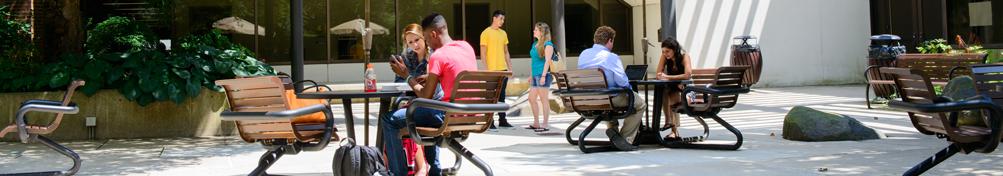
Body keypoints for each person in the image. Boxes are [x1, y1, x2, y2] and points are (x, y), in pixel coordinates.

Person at [382, 13, 478, 176]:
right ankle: (433, 170)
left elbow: (425, 96)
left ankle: (398, 173)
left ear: (433, 34)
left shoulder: (437, 56)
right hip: (471, 115)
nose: (427, 43)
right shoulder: (466, 47)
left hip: (445, 115)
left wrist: (407, 76)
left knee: (389, 120)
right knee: (423, 111)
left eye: (425, 38)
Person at [577, 26, 645, 149]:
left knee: (610, 97)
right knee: (640, 104)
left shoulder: (583, 54)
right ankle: (625, 139)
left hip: (587, 99)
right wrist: (629, 88)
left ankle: (613, 131)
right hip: (609, 99)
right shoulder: (611, 57)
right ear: (610, 40)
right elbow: (623, 82)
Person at [479, 10, 513, 128]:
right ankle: (490, 121)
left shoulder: (503, 33)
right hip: (491, 70)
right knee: (490, 96)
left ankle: (502, 120)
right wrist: (487, 70)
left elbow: (506, 52)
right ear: (494, 18)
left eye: (503, 19)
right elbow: (483, 54)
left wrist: (510, 68)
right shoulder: (485, 33)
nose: (502, 21)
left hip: (503, 69)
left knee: (502, 96)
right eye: (501, 19)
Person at [654, 37, 692, 141]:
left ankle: (671, 125)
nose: (665, 54)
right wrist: (663, 76)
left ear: (674, 49)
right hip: (673, 88)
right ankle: (671, 126)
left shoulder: (684, 56)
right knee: (666, 91)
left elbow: (688, 75)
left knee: (670, 93)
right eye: (663, 51)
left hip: (687, 91)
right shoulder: (665, 56)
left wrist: (668, 77)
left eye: (667, 51)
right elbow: (658, 73)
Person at [526, 22, 555, 132]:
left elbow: (547, 61)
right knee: (531, 98)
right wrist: (531, 75)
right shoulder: (535, 44)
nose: (534, 31)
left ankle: (545, 123)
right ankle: (536, 123)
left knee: (543, 99)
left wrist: (543, 76)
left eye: (536, 30)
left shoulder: (548, 44)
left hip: (544, 75)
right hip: (535, 75)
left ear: (542, 32)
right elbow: (534, 61)